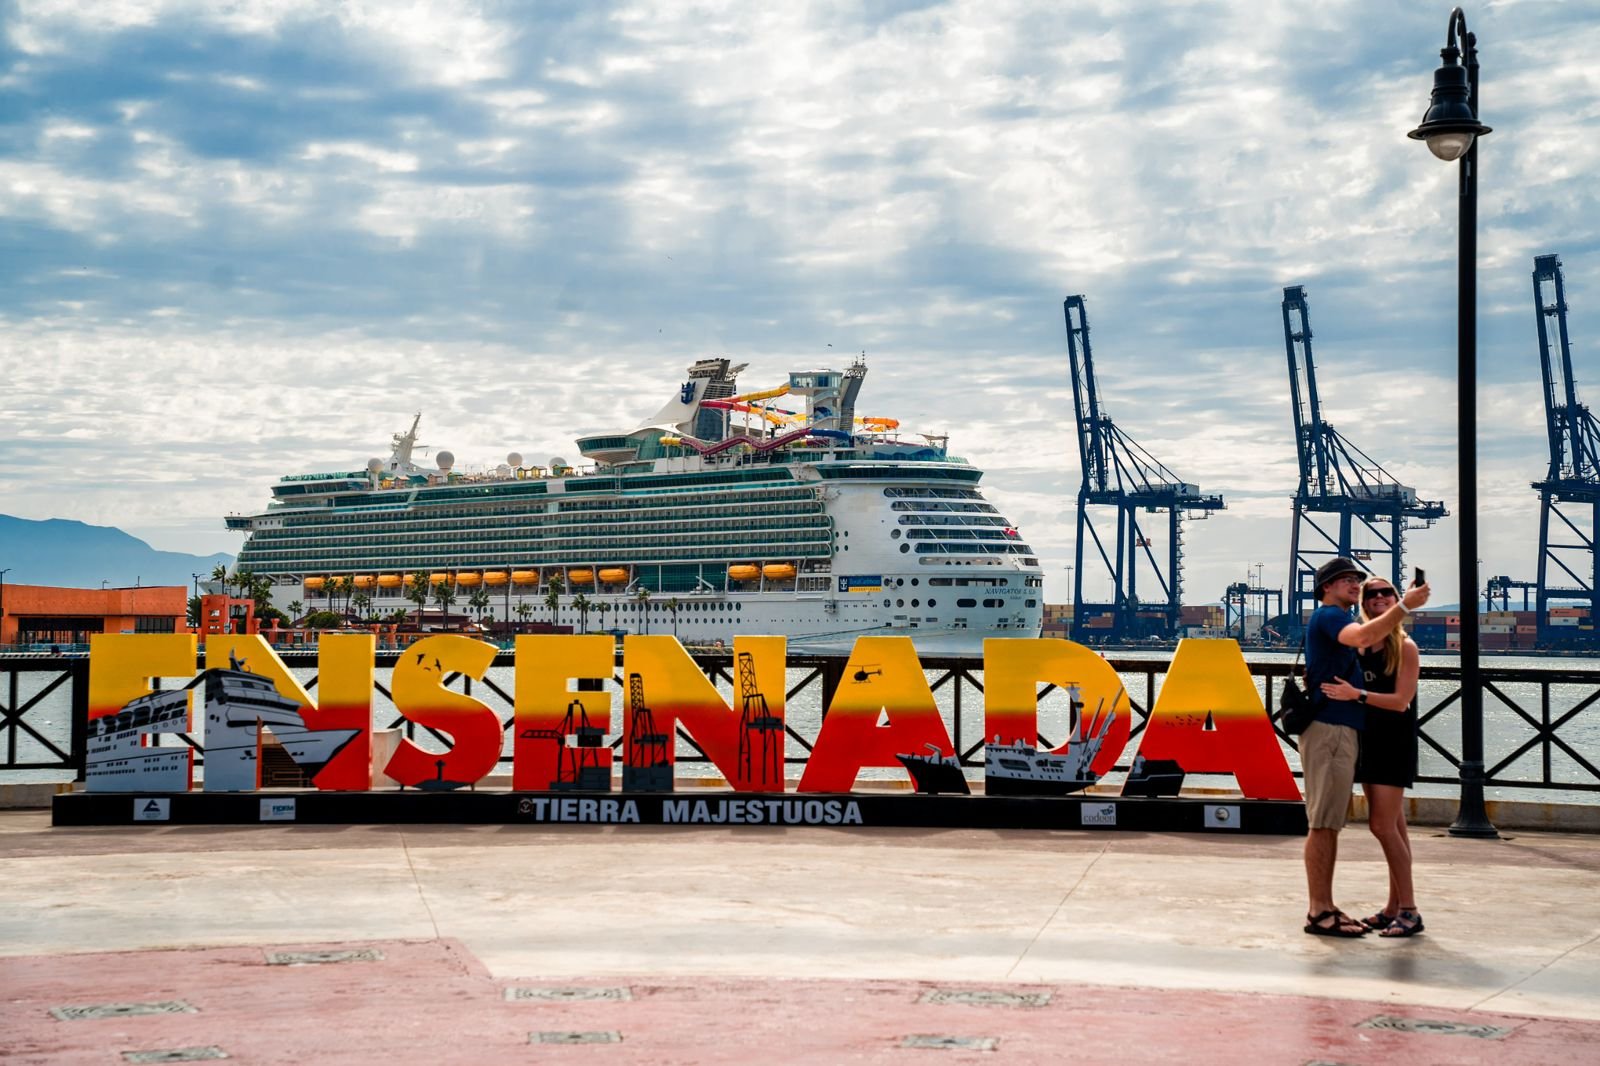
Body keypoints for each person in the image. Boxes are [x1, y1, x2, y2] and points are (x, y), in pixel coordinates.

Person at [1299, 557, 1428, 937]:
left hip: (1382, 740)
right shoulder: (1337, 623)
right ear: (1326, 587)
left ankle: (1403, 908)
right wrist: (1405, 605)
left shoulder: (1401, 646)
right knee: (1332, 823)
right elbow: (1360, 638)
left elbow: (1401, 699)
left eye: (1381, 591)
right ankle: (1324, 910)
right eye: (1353, 584)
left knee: (1387, 827)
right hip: (1344, 734)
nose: (1368, 592)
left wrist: (1357, 695)